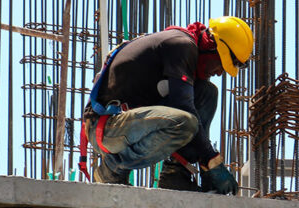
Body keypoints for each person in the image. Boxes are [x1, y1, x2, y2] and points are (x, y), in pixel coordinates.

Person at [81, 16, 252, 194]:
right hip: (107, 127)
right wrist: (212, 160)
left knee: (207, 93)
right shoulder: (181, 46)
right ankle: (113, 168)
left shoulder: (183, 46)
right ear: (212, 48)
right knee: (185, 122)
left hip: (129, 123)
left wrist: (205, 165)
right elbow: (184, 106)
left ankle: (176, 174)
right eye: (221, 65)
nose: (219, 73)